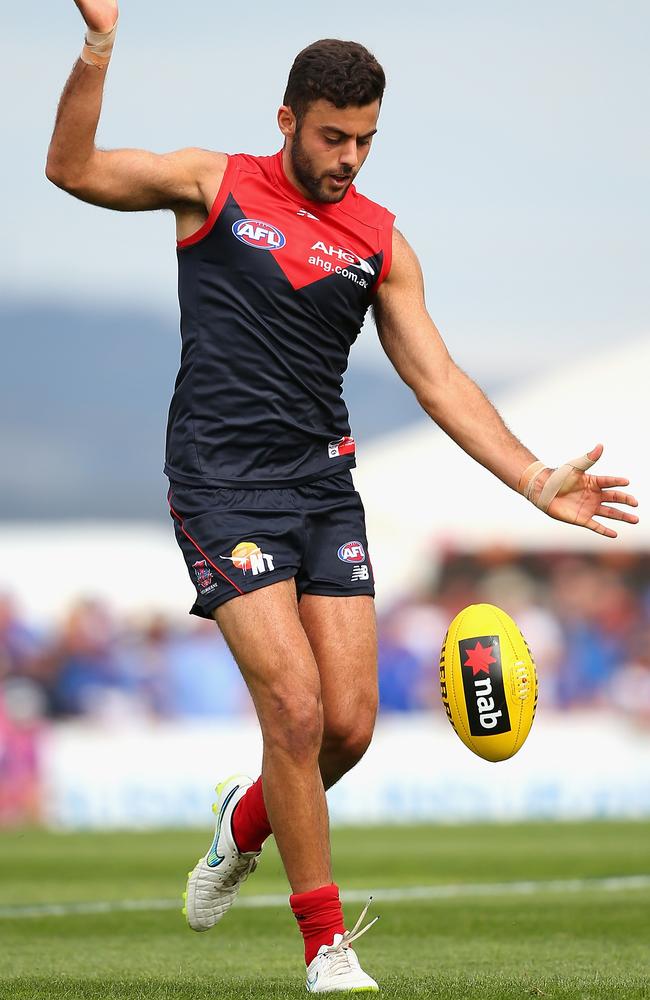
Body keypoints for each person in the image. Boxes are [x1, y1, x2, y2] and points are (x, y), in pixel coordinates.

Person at [46, 2, 639, 992]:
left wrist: (535, 477)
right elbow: (72, 168)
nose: (348, 158)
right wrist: (100, 45)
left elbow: (438, 380)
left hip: (321, 484)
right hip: (220, 483)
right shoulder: (212, 183)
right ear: (286, 121)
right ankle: (326, 943)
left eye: (364, 140)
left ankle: (244, 822)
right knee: (293, 702)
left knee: (348, 727)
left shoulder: (378, 241)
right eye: (332, 136)